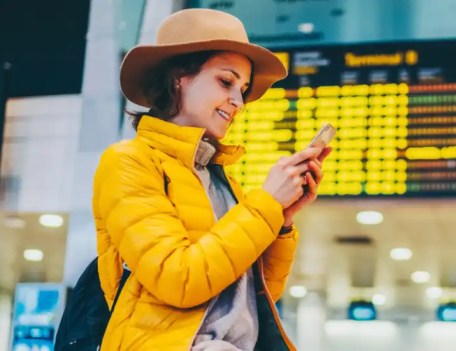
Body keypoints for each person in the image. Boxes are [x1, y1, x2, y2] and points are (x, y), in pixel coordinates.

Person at [93, 8, 330, 351]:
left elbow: (247, 299)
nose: (238, 101)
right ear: (179, 77)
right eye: (226, 81)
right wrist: (265, 205)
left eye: (243, 89)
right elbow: (181, 280)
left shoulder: (222, 179)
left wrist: (280, 220)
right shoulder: (128, 161)